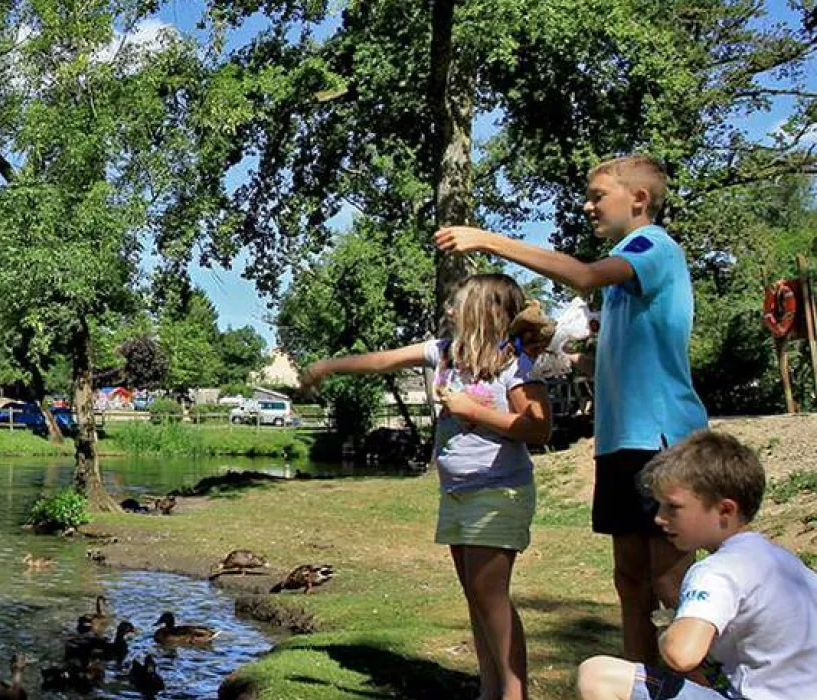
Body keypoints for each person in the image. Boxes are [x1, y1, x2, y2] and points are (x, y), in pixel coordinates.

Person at [434, 155, 709, 663]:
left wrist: (488, 240)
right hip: (621, 443)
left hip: (663, 442)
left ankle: (703, 688)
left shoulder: (651, 246)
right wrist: (563, 358)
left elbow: (583, 276)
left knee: (673, 587)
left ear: (638, 199)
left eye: (598, 195)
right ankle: (640, 688)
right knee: (630, 582)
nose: (587, 206)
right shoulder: (627, 277)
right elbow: (613, 362)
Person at [301, 273, 551, 700]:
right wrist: (328, 366)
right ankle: (490, 689)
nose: (450, 310)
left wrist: (474, 411)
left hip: (498, 493)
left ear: (487, 312)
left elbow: (539, 428)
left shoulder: (514, 365)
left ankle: (514, 692)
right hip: (456, 494)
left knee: (490, 596)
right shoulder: (443, 353)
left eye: (460, 303)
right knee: (476, 597)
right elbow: (382, 361)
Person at [576, 430, 817, 700]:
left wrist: (668, 632)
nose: (659, 518)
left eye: (673, 507)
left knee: (598, 675)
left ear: (725, 510)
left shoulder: (717, 571)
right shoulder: (786, 564)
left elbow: (682, 654)